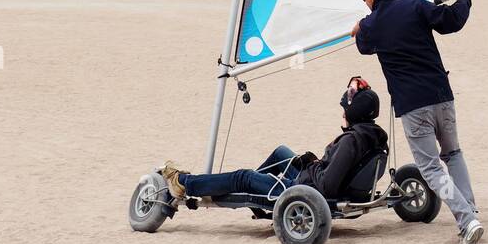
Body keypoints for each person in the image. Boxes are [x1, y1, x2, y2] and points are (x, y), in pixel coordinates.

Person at [352, 0, 484, 244]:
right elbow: (452, 22)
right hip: (441, 95)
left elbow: (362, 45)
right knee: (453, 153)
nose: (365, 3)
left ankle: (467, 219)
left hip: (414, 106)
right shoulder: (415, 7)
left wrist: (361, 26)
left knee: (432, 169)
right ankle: (470, 211)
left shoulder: (372, 25)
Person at [160, 79, 387, 204]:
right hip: (312, 181)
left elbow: (328, 186)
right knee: (281, 152)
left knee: (243, 176)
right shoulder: (372, 136)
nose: (342, 114)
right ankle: (252, 199)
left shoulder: (351, 141)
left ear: (355, 113)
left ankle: (184, 182)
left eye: (345, 110)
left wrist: (312, 164)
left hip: (304, 189)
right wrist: (315, 163)